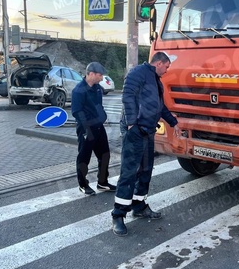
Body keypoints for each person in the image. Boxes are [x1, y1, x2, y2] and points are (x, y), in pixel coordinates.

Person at [111, 52, 181, 236]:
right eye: (166, 67)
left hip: (147, 131)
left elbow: (160, 106)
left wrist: (173, 122)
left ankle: (139, 206)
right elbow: (127, 96)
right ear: (159, 63)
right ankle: (118, 215)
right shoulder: (138, 73)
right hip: (136, 130)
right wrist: (132, 122)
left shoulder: (155, 79)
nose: (167, 70)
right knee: (129, 172)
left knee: (145, 170)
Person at [71, 62, 116, 196]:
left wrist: (102, 117)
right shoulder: (78, 90)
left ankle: (102, 182)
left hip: (98, 127)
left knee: (105, 154)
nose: (102, 78)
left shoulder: (97, 88)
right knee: (84, 156)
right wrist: (86, 128)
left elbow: (98, 105)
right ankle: (83, 185)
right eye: (99, 75)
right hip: (86, 128)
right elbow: (77, 111)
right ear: (90, 74)